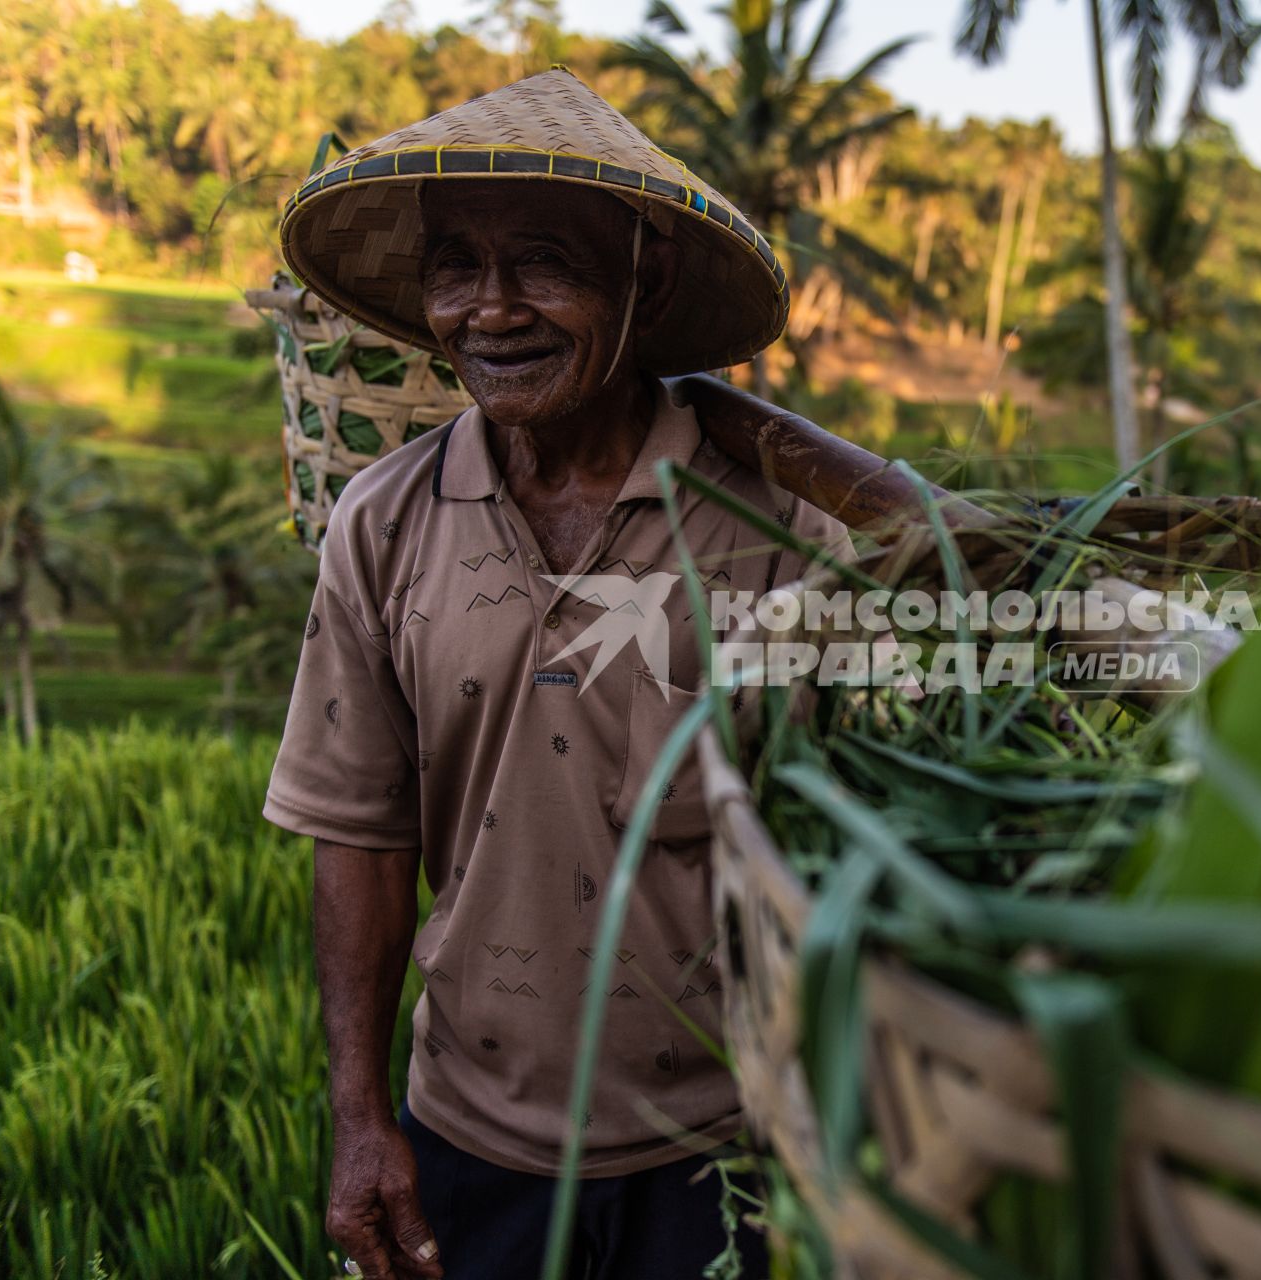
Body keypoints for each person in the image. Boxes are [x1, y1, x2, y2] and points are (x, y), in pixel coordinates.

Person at [264, 68, 854, 1279]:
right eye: (455, 267)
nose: (491, 309)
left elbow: (865, 831)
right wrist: (361, 1119)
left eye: (543, 261)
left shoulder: (788, 527)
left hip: (728, 1148)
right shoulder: (382, 523)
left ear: (648, 277)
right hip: (466, 1141)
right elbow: (359, 832)